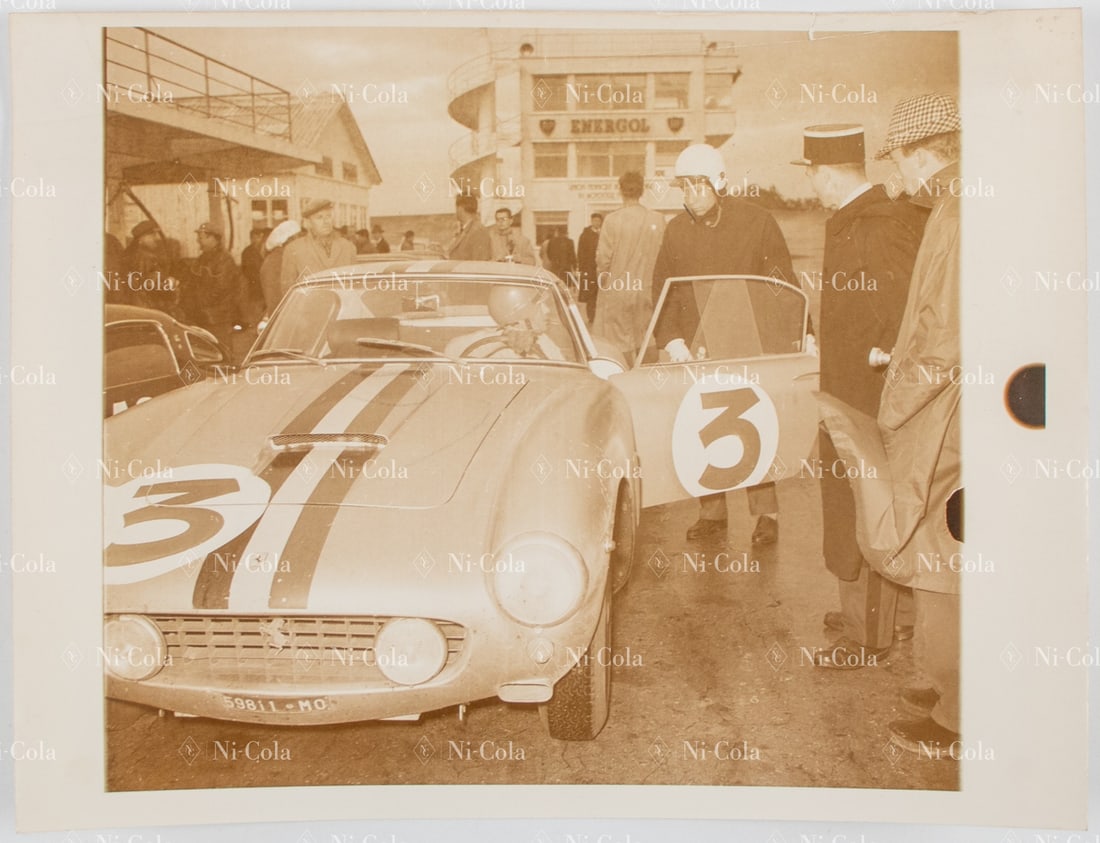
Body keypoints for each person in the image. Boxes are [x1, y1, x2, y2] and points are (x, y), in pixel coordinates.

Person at [792, 123, 928, 670]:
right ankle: (888, 615)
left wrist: (879, 357)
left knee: (862, 505)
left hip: (864, 398)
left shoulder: (876, 224)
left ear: (827, 174)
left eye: (812, 176)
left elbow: (901, 316)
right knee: (866, 505)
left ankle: (867, 634)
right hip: (853, 390)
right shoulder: (861, 219)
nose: (812, 187)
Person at [874, 94, 962, 754]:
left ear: (923, 154)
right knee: (939, 551)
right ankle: (944, 683)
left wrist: (892, 406)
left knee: (947, 555)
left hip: (950, 415)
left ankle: (960, 714)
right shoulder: (953, 203)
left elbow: (948, 339)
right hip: (950, 405)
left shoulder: (959, 212)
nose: (893, 172)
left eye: (897, 159)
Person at [652, 143, 792, 546]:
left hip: (750, 344)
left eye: (698, 183)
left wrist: (799, 336)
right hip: (696, 349)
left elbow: (782, 284)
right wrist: (672, 339)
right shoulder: (675, 231)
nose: (691, 193)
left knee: (755, 427)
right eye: (684, 185)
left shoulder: (758, 222)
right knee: (702, 426)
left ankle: (766, 514)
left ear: (720, 182)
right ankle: (711, 511)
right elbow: (662, 290)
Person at [592, 171, 666, 359]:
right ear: (642, 190)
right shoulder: (657, 219)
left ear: (621, 190)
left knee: (619, 341)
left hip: (619, 289)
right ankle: (647, 376)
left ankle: (626, 375)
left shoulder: (612, 220)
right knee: (647, 337)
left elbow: (603, 260)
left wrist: (603, 282)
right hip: (647, 289)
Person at [445, 285, 565, 360]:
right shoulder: (479, 340)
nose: (547, 310)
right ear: (519, 311)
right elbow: (452, 352)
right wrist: (501, 340)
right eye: (540, 305)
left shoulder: (544, 341)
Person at [186, 222, 243, 352]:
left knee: (221, 350)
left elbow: (221, 288)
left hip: (218, 316)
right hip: (204, 315)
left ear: (213, 238)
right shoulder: (202, 259)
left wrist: (200, 303)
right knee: (207, 351)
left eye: (201, 237)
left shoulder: (224, 260)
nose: (198, 240)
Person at [280, 199, 357, 294]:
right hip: (311, 303)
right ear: (308, 223)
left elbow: (355, 286)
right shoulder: (294, 249)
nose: (326, 221)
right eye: (319, 217)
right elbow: (288, 291)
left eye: (328, 216)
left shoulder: (347, 247)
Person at [119, 219, 180, 315]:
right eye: (152, 235)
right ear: (141, 238)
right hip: (146, 306)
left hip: (132, 305)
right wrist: (170, 283)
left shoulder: (131, 253)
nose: (156, 238)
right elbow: (150, 284)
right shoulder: (145, 257)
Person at [260, 219, 302, 315]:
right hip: (285, 317)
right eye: (298, 237)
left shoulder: (289, 257)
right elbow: (275, 300)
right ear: (288, 240)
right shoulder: (275, 262)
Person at [446, 195, 492, 261]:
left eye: (456, 208)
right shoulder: (466, 228)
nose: (456, 212)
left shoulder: (479, 231)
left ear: (460, 209)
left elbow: (480, 262)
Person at [575, 213, 603, 320]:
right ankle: (591, 316)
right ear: (591, 221)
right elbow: (580, 252)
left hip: (602, 268)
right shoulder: (585, 235)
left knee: (601, 293)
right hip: (589, 268)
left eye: (598, 221)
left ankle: (600, 316)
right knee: (591, 293)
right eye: (595, 220)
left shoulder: (604, 234)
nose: (597, 223)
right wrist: (582, 268)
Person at [239, 227, 269, 327]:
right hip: (254, 287)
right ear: (251, 238)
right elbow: (247, 271)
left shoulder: (265, 250)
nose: (258, 240)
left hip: (263, 287)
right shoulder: (247, 252)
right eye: (255, 237)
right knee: (256, 311)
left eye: (260, 237)